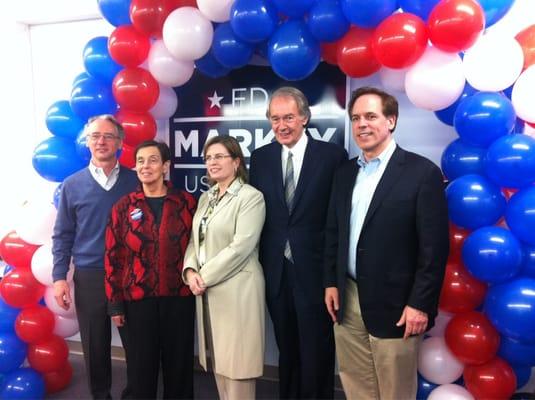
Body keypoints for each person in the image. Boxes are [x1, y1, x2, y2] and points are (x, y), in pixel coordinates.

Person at [324, 86, 450, 399]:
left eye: (370, 116)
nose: (361, 125)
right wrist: (331, 282)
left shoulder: (422, 173)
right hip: (348, 297)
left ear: (391, 121)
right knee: (356, 384)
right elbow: (333, 233)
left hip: (398, 303)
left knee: (394, 390)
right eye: (355, 118)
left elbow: (433, 250)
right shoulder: (343, 173)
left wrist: (420, 303)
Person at [249, 86, 347, 399]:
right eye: (275, 119)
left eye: (289, 117)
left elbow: (337, 220)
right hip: (276, 270)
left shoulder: (332, 156)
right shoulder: (261, 158)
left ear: (304, 117)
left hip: (316, 272)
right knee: (286, 348)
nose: (282, 125)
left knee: (317, 351)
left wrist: (333, 276)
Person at [52, 114, 138, 399]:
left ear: (120, 142)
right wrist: (59, 278)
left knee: (137, 344)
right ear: (87, 142)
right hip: (90, 276)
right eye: (95, 136)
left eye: (108, 136)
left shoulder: (136, 181)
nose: (101, 141)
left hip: (130, 274)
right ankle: (101, 396)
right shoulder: (72, 185)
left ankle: (135, 393)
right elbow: (62, 235)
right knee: (95, 345)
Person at [104, 140, 196, 399]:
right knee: (141, 369)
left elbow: (198, 249)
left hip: (179, 297)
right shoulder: (123, 206)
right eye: (141, 161)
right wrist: (115, 304)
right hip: (137, 300)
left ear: (165, 166)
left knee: (179, 367)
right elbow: (114, 256)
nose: (146, 166)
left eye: (153, 160)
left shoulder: (187, 203)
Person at [183, 135, 266, 400]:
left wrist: (202, 277)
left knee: (238, 367)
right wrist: (190, 272)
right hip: (208, 290)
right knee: (221, 363)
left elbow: (241, 247)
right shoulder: (206, 198)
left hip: (238, 290)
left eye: (219, 156)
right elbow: (196, 240)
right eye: (208, 157)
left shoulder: (251, 197)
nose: (212, 162)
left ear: (236, 161)